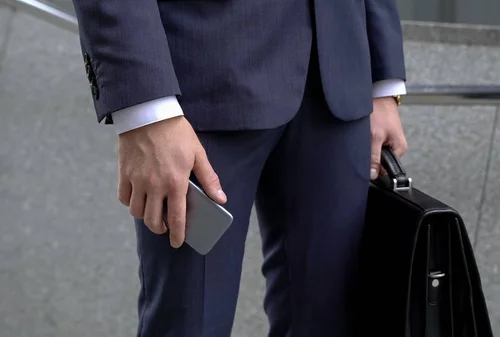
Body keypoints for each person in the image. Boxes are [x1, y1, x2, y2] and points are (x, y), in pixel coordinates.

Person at [72, 0, 407, 336]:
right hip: (196, 82)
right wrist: (145, 106)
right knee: (190, 322)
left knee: (332, 318)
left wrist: (383, 80)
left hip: (340, 75)